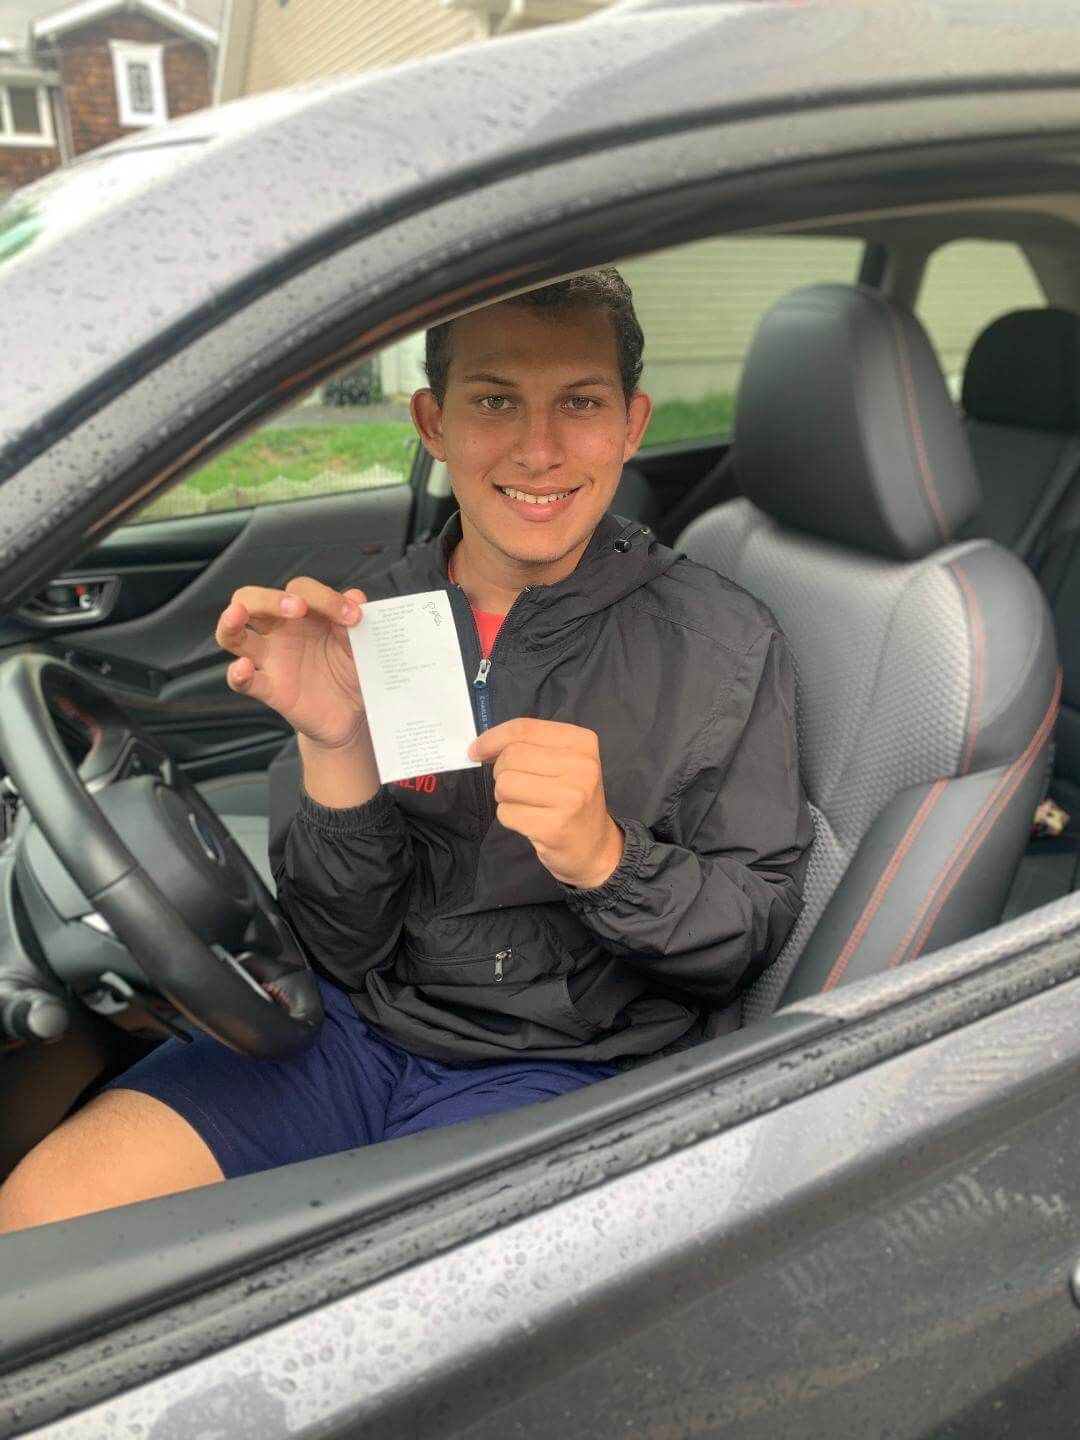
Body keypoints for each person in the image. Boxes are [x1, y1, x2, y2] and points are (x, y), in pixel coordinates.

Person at [0, 269, 812, 1231]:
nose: (539, 449)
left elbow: (747, 934)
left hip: (568, 1068)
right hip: (346, 1030)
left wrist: (607, 859)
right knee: (41, 1219)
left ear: (631, 424)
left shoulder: (726, 646)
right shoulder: (369, 615)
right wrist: (335, 747)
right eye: (495, 400)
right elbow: (340, 939)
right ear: (434, 423)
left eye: (580, 404)